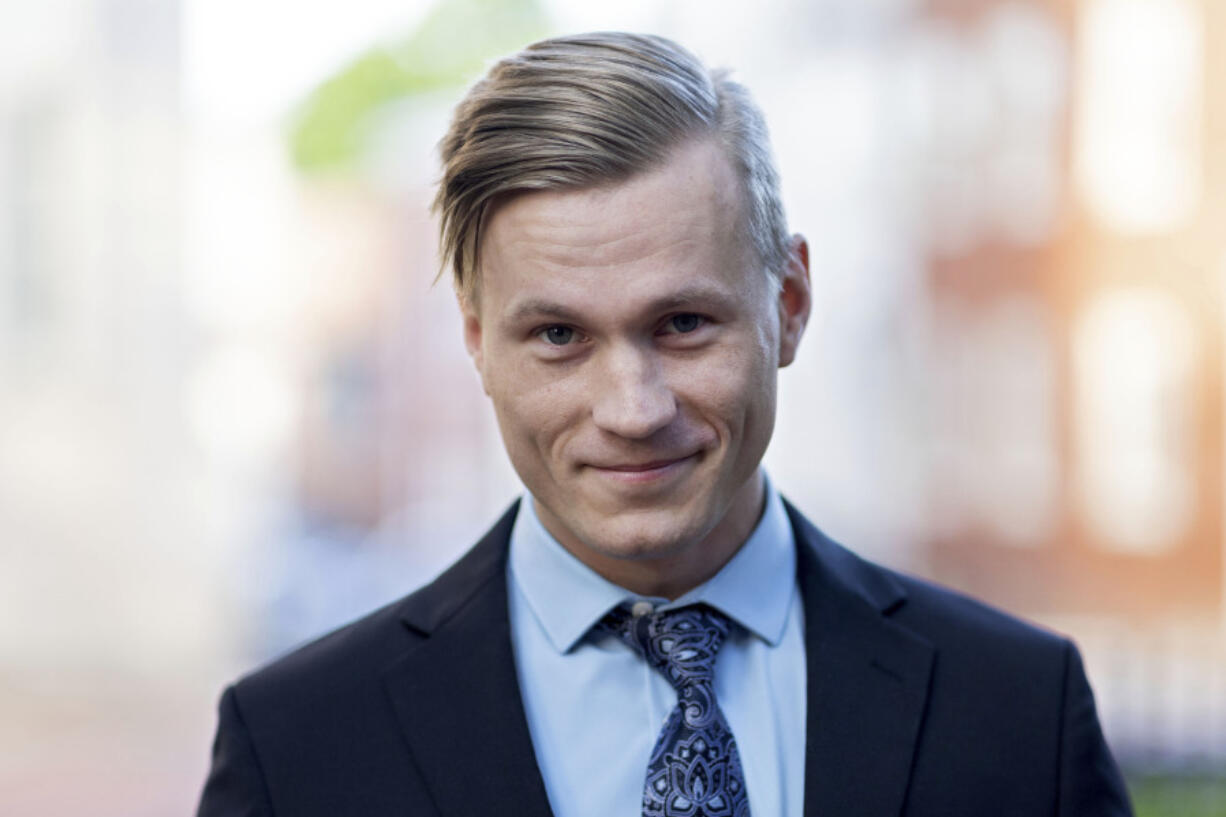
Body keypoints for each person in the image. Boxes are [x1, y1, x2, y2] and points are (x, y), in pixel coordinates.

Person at [197, 32, 1133, 817]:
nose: (633, 410)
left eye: (683, 324)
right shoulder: (298, 751)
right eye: (558, 335)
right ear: (478, 344)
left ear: (792, 303)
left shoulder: (1018, 711)